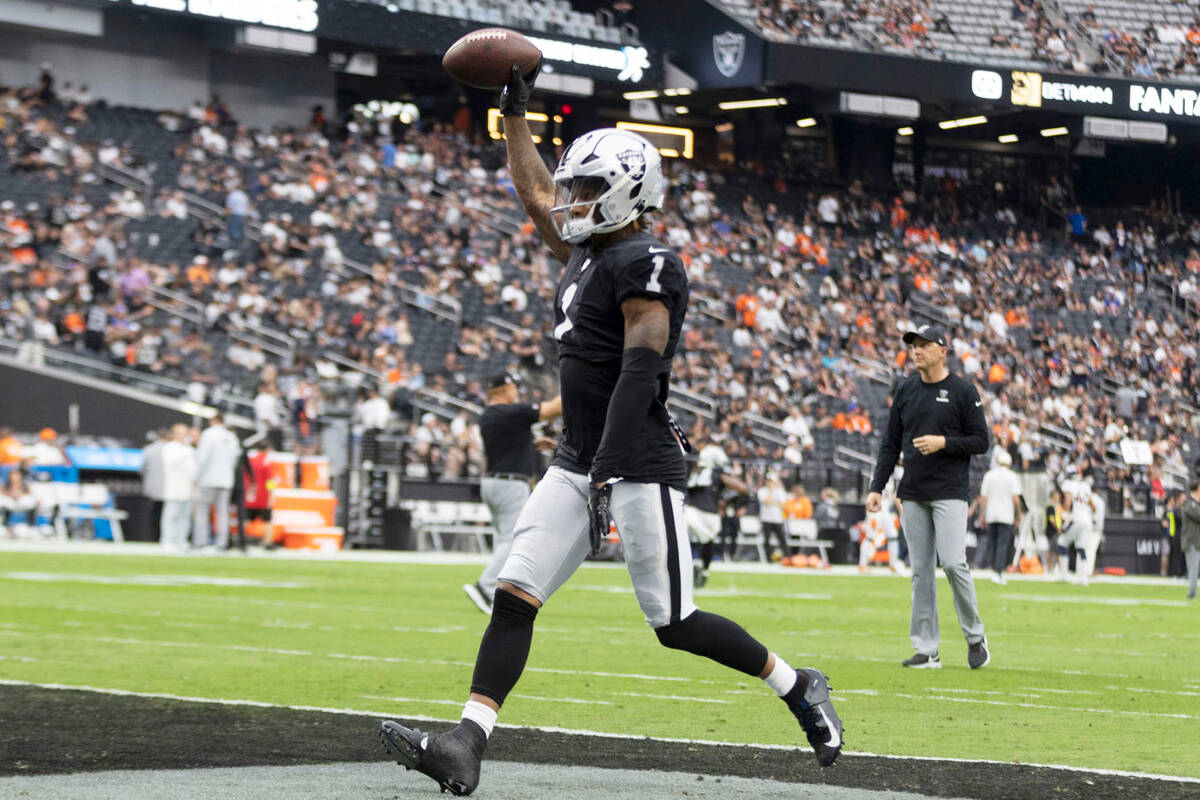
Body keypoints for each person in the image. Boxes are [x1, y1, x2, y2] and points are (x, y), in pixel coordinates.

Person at [379, 62, 843, 796]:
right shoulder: (589, 253)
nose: (572, 200)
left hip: (638, 460)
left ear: (629, 191)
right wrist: (518, 116)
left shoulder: (648, 260)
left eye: (588, 189)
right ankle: (467, 742)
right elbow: (535, 191)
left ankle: (797, 686)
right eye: (576, 187)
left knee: (673, 621)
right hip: (579, 459)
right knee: (514, 591)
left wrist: (609, 465)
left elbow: (642, 365)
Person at [868, 323, 990, 670]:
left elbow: (981, 441)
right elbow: (890, 443)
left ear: (942, 351)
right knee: (921, 571)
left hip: (949, 491)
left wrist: (944, 443)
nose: (916, 350)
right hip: (914, 492)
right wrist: (877, 487)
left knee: (953, 563)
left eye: (923, 345)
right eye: (913, 345)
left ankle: (975, 637)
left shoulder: (963, 391)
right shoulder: (906, 390)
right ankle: (927, 649)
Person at [463, 373, 561, 614]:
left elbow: (507, 444)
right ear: (504, 389)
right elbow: (551, 410)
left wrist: (533, 446)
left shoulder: (490, 415)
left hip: (494, 481)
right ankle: (484, 587)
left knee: (503, 539)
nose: (517, 391)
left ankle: (497, 591)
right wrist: (581, 382)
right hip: (510, 483)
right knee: (514, 539)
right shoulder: (510, 411)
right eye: (514, 387)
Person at [685, 431, 746, 587]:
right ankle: (703, 568)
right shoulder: (716, 474)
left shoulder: (695, 473)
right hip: (709, 515)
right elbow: (740, 487)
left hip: (695, 512)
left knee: (689, 538)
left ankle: (696, 565)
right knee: (706, 541)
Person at [192, 414, 241, 551]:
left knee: (202, 511)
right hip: (225, 480)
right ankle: (222, 543)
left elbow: (203, 457)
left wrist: (196, 477)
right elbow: (234, 459)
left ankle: (200, 542)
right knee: (223, 512)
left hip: (208, 478)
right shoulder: (231, 437)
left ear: (213, 421)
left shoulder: (208, 434)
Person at [977, 451, 1023, 584]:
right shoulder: (1011, 476)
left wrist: (982, 514)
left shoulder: (989, 475)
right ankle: (999, 571)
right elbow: (1016, 498)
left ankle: (995, 570)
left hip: (991, 513)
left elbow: (983, 497)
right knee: (1003, 544)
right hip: (1006, 514)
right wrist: (1018, 514)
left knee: (993, 542)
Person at [1058, 465, 1099, 585]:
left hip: (1076, 518)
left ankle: (1064, 575)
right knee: (1081, 547)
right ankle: (1083, 577)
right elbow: (1093, 506)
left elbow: (1067, 501)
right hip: (1087, 520)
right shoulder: (1085, 486)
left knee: (1062, 542)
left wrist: (1064, 518)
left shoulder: (1069, 485)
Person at [160, 424, 196, 553]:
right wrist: (185, 454)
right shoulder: (169, 448)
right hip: (174, 488)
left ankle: (181, 541)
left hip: (187, 489)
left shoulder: (189, 449)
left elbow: (193, 470)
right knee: (171, 516)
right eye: (182, 433)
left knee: (184, 517)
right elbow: (170, 463)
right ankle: (168, 541)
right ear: (175, 434)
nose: (184, 436)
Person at [141, 429, 168, 539]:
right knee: (165, 514)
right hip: (167, 488)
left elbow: (142, 469)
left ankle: (153, 537)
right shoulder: (170, 449)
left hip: (151, 488)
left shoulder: (148, 450)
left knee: (153, 514)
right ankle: (162, 537)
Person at [758, 471, 789, 562]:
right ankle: (769, 559)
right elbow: (766, 501)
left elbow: (783, 505)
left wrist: (773, 502)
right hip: (766, 519)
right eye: (768, 480)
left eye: (771, 481)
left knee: (782, 539)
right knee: (767, 540)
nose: (769, 482)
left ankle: (787, 558)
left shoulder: (780, 491)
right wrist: (771, 492)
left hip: (777, 519)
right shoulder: (762, 491)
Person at [1181, 480, 1200, 600]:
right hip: (1191, 541)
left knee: (1194, 567)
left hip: (1196, 541)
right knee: (1193, 568)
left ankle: (1193, 592)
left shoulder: (1194, 504)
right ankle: (1192, 593)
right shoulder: (1189, 504)